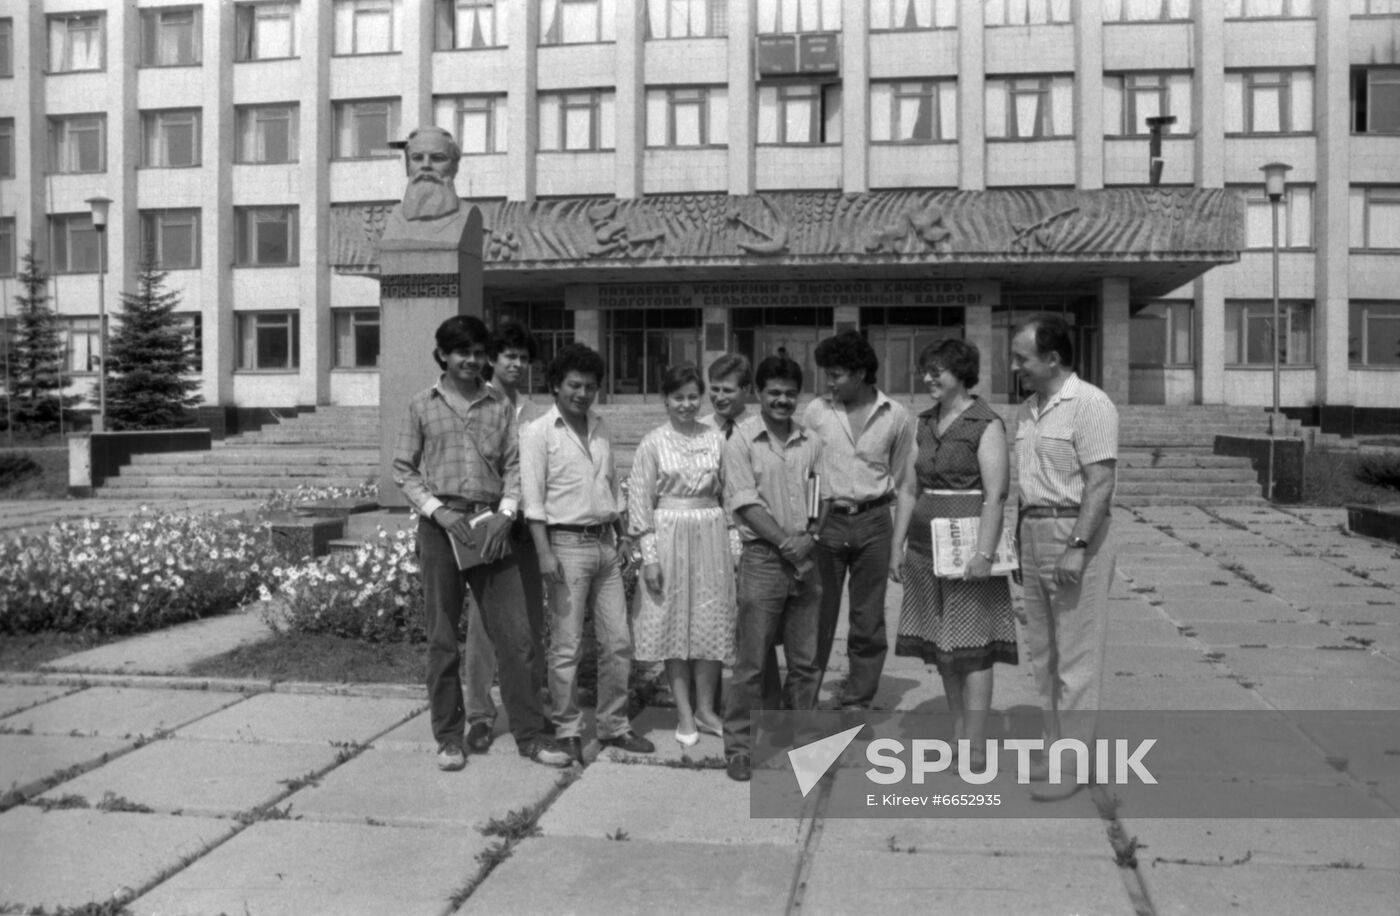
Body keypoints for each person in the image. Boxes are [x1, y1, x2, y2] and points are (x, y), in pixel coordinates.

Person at [392, 315, 571, 771]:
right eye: (462, 352)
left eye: (476, 352)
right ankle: (450, 737)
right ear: (443, 356)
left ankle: (530, 735)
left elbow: (514, 466)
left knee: (518, 638)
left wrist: (507, 512)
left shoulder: (498, 407)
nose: (470, 360)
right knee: (442, 639)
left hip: (491, 527)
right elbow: (404, 470)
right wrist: (438, 511)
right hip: (441, 530)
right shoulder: (420, 405)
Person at [521, 343, 655, 765]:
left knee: (617, 642)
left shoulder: (599, 427)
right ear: (556, 386)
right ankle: (568, 729)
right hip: (564, 547)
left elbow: (611, 484)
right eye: (574, 385)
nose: (582, 393)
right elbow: (533, 498)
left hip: (605, 546)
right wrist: (544, 552)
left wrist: (623, 533)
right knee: (567, 646)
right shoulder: (539, 432)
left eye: (590, 386)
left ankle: (614, 725)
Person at [889, 340, 1016, 770]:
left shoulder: (986, 423)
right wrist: (897, 546)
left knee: (974, 646)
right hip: (926, 553)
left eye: (936, 371)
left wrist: (983, 553)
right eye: (926, 370)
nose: (927, 378)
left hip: (968, 550)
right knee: (943, 644)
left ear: (960, 374)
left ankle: (976, 745)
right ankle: (958, 729)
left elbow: (996, 495)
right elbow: (908, 489)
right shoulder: (921, 424)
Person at [1010, 314, 1118, 801]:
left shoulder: (1090, 404)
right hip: (1033, 530)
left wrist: (1077, 547)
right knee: (1044, 655)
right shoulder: (1029, 411)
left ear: (1052, 358)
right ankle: (1056, 748)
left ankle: (1072, 765)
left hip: (1074, 531)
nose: (1016, 367)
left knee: (1075, 656)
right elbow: (1026, 486)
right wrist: (1017, 542)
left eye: (1022, 358)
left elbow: (1101, 482)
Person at [721, 356, 824, 783]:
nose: (782, 400)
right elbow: (745, 502)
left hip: (805, 559)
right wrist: (787, 543)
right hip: (764, 559)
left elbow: (824, 495)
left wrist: (811, 537)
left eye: (789, 393)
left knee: (806, 662)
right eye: (773, 393)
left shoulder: (811, 440)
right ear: (757, 394)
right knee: (751, 662)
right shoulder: (741, 440)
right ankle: (740, 747)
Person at [804, 330, 915, 710]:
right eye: (827, 374)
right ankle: (805, 695)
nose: (828, 382)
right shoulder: (817, 411)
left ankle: (858, 699)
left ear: (862, 373)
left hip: (873, 522)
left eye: (836, 374)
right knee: (817, 613)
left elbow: (903, 478)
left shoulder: (896, 415)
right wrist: (808, 525)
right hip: (826, 522)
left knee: (868, 618)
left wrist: (895, 538)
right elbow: (806, 471)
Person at [628, 364, 736, 746]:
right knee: (674, 623)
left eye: (693, 396)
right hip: (669, 533)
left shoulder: (717, 439)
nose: (687, 404)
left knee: (710, 621)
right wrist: (650, 557)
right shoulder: (652, 442)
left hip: (711, 535)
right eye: (679, 397)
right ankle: (684, 713)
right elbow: (640, 505)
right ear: (666, 400)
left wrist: (734, 550)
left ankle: (707, 711)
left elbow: (731, 496)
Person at [462, 322, 548, 753]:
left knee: (530, 627)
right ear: (492, 359)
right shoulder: (475, 406)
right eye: (508, 356)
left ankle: (530, 711)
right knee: (482, 628)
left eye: (523, 357)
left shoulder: (537, 414)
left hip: (527, 532)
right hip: (487, 528)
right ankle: (478, 715)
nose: (516, 364)